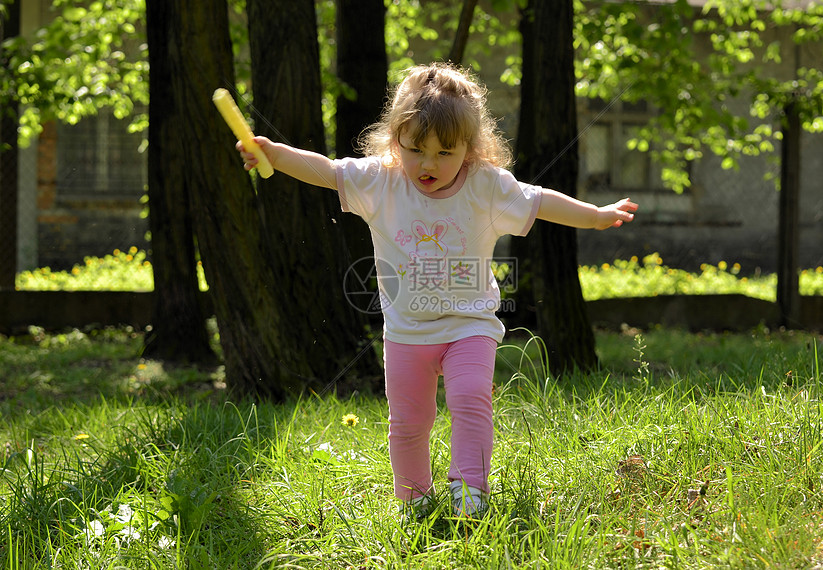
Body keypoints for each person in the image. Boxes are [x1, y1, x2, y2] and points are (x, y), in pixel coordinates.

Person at [237, 63, 638, 520]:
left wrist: (596, 214)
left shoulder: (486, 186)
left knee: (471, 399)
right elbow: (326, 171)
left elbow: (542, 200)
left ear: (469, 149)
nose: (429, 164)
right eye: (416, 150)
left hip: (470, 324)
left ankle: (470, 491)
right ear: (395, 142)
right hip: (406, 331)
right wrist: (273, 151)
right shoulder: (381, 180)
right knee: (408, 424)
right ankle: (414, 500)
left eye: (445, 152)